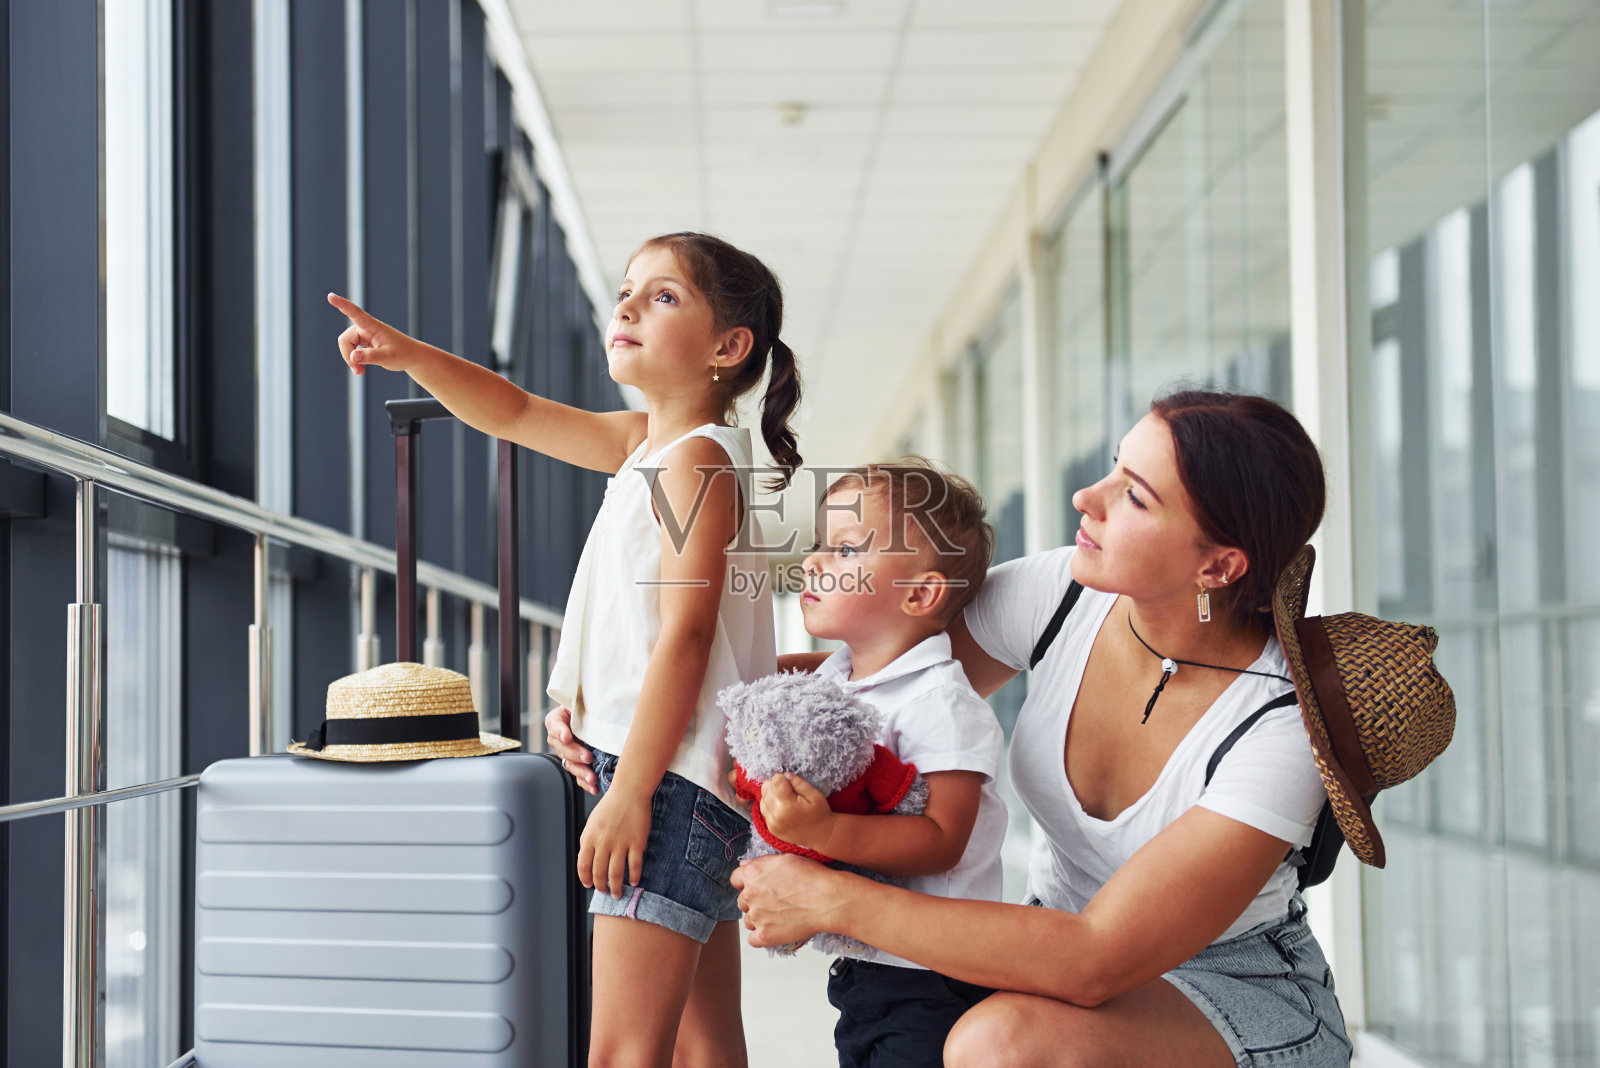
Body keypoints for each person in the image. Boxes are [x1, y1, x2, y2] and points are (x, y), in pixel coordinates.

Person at [723, 391, 1355, 1067]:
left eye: (1135, 497)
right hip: (1055, 938)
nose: (1088, 496)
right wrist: (660, 700)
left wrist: (827, 898)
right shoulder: (1064, 592)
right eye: (1115, 467)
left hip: (1230, 985)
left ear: (1217, 566)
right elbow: (875, 667)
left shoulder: (1279, 730)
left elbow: (1095, 960)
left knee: (994, 1046)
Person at [329, 231, 802, 1067]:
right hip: (679, 780)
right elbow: (511, 412)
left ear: (729, 348)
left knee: (623, 1051)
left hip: (665, 786)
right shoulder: (648, 448)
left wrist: (633, 793)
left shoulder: (695, 465)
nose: (627, 305)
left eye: (663, 296)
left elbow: (687, 640)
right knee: (703, 1043)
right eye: (627, 289)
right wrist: (411, 358)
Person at [750, 460, 1005, 1067]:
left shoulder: (940, 702)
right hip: (867, 965)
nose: (812, 562)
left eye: (843, 551)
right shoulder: (837, 673)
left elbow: (943, 839)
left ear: (919, 593)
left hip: (933, 975)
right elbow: (751, 684)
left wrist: (824, 832)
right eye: (818, 545)